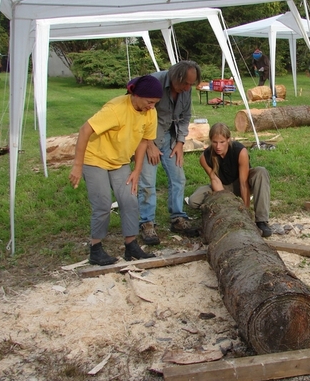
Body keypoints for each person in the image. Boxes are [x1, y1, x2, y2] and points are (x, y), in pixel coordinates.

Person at [69, 75, 162, 266]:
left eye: (155, 103)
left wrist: (137, 170)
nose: (152, 106)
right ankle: (96, 249)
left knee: (129, 199)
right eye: (149, 102)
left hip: (120, 161)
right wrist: (77, 166)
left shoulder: (150, 112)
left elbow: (144, 141)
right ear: (136, 95)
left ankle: (131, 247)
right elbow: (84, 130)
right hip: (95, 159)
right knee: (102, 204)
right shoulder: (115, 109)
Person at [138, 60, 202, 244]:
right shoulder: (153, 82)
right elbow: (139, 115)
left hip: (169, 137)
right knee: (148, 182)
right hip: (147, 139)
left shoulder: (186, 89)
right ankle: (147, 223)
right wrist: (149, 145)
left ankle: (178, 218)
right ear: (175, 76)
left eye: (191, 84)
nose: (188, 87)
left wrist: (180, 142)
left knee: (178, 178)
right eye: (185, 83)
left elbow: (186, 117)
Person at [188, 122, 273, 237]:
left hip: (242, 182)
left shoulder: (240, 151)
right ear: (210, 141)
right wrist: (225, 203)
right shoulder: (204, 157)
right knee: (193, 200)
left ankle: (261, 220)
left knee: (261, 172)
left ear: (228, 139)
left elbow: (244, 184)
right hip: (222, 186)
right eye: (214, 142)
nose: (218, 147)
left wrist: (245, 213)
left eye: (222, 142)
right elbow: (215, 180)